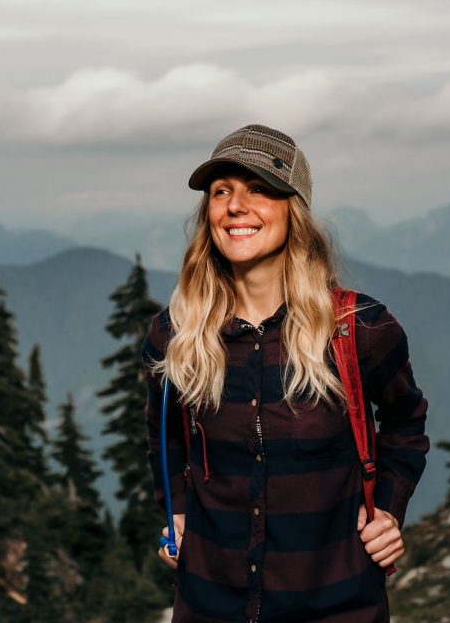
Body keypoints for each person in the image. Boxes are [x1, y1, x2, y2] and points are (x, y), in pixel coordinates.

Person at [143, 124, 430, 622]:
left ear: (293, 208)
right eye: (221, 192)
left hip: (336, 604)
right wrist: (177, 511)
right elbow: (164, 434)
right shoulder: (176, 335)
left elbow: (406, 423)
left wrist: (387, 508)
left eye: (258, 188)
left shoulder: (357, 329)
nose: (236, 206)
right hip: (210, 603)